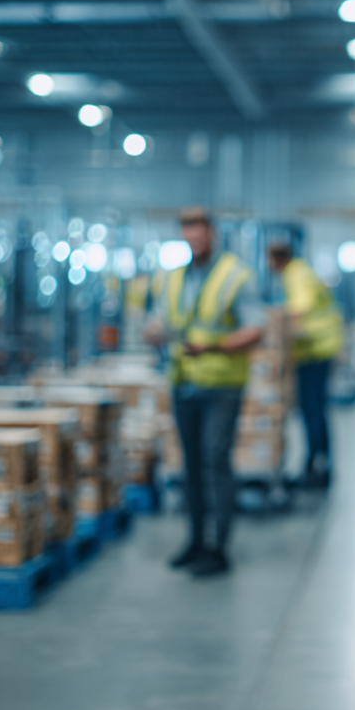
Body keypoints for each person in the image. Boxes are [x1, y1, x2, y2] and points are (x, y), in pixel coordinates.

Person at [144, 208, 265, 576]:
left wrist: (213, 348)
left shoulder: (236, 275)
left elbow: (255, 329)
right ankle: (195, 539)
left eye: (199, 231)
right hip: (184, 382)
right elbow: (162, 320)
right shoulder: (172, 278)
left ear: (212, 233)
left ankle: (219, 545)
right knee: (190, 465)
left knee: (215, 459)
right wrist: (153, 331)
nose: (194, 238)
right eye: (187, 232)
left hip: (222, 384)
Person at [267, 243, 343, 487]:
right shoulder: (300, 271)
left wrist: (274, 319)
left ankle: (316, 465)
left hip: (315, 349)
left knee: (312, 408)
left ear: (276, 260)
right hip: (316, 348)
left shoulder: (295, 274)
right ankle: (318, 460)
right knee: (315, 407)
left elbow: (299, 309)